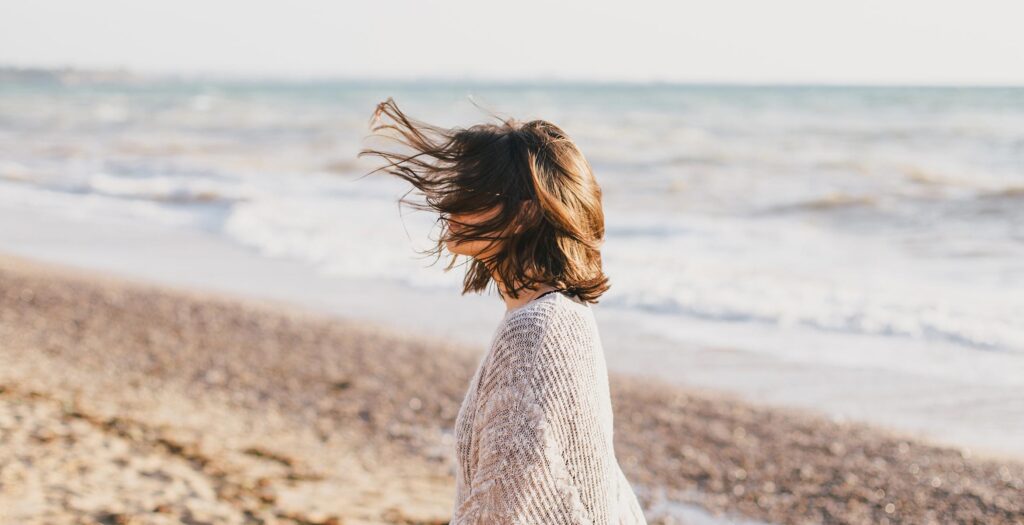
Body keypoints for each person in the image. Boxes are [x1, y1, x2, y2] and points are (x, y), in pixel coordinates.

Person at [359, 97, 648, 524]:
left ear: (524, 213)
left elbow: (506, 505)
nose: (449, 204)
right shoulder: (561, 315)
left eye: (471, 190)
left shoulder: (535, 329)